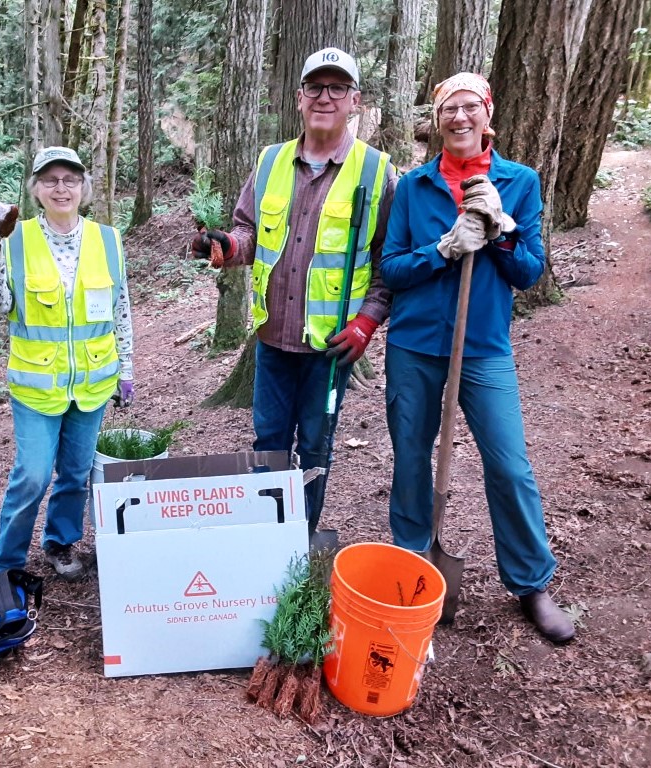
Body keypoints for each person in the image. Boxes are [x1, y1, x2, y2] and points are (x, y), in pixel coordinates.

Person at [381, 73, 575, 644]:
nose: (459, 118)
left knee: (509, 464)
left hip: (484, 344)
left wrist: (504, 228)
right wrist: (442, 249)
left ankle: (531, 582)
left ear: (487, 115)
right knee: (411, 457)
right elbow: (391, 268)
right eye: (449, 110)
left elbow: (529, 272)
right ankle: (413, 560)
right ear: (437, 120)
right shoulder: (413, 186)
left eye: (470, 108)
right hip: (415, 344)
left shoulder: (519, 181)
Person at [191, 48, 395, 534]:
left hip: (331, 349)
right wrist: (225, 245)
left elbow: (388, 262)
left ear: (355, 101)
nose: (325, 97)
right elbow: (247, 233)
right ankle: (268, 537)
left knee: (317, 448)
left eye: (338, 88)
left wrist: (366, 323)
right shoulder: (270, 161)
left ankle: (300, 541)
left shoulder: (376, 171)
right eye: (315, 88)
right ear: (299, 98)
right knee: (269, 442)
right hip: (271, 339)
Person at [0, 146, 134, 581]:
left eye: (70, 180)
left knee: (76, 474)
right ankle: (6, 566)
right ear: (36, 189)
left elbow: (121, 310)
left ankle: (60, 543)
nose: (61, 188)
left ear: (83, 187)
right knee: (33, 476)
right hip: (36, 384)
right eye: (50, 180)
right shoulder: (14, 238)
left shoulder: (108, 239)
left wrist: (127, 368)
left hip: (93, 383)